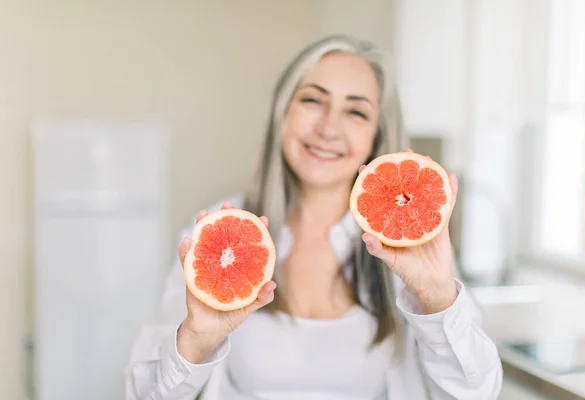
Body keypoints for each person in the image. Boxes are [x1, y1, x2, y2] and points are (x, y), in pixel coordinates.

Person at [125, 34, 503, 400]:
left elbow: (475, 394)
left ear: (376, 136)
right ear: (282, 114)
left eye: (356, 111)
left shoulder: (405, 250)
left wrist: (437, 297)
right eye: (312, 100)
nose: (328, 128)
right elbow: (145, 396)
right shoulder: (215, 236)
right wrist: (197, 337)